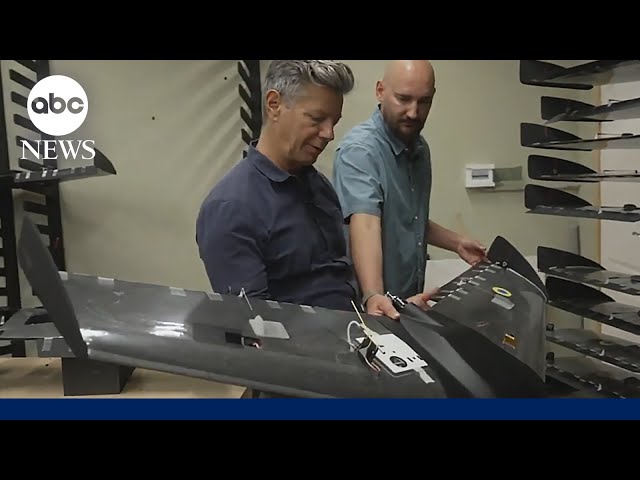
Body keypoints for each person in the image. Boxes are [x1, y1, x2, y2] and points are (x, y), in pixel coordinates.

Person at [196, 60, 373, 314]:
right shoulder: (231, 208)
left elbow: (338, 281)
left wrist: (372, 302)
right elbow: (255, 321)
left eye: (334, 121)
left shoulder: (320, 187)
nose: (329, 133)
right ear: (274, 105)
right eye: (317, 119)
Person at [332, 60, 488, 318]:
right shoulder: (360, 151)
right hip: (370, 312)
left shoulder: (419, 149)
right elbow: (366, 223)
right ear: (380, 91)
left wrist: (457, 243)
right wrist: (374, 295)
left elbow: (409, 221)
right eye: (403, 99)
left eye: (424, 101)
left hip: (406, 305)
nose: (414, 113)